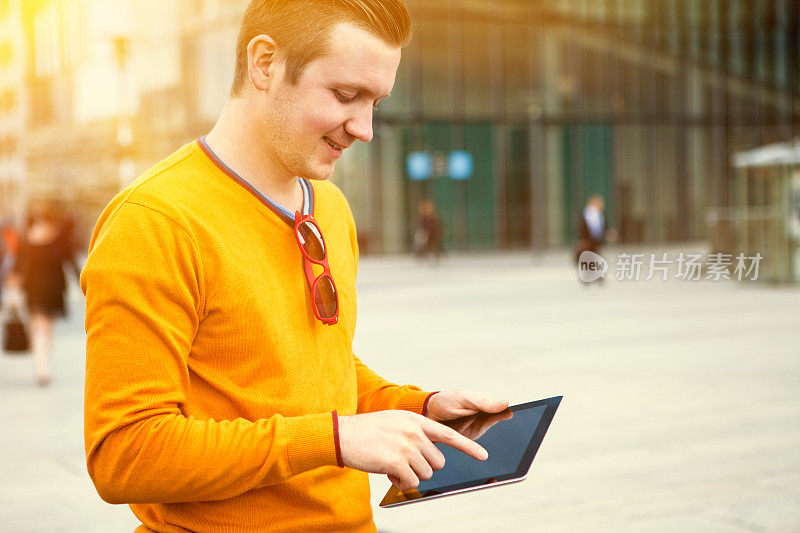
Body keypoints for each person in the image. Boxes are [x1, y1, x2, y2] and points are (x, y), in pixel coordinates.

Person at [80, 1, 508, 531]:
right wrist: (334, 439)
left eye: (376, 101)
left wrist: (419, 407)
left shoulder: (330, 207)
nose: (366, 128)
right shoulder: (155, 223)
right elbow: (124, 455)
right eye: (346, 96)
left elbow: (310, 375)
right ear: (264, 64)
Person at [14, 201, 79, 386]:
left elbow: (19, 265)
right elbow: (71, 263)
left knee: (41, 326)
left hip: (37, 288)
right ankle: (43, 368)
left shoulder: (28, 237)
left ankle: (42, 365)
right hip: (50, 288)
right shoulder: (59, 238)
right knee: (44, 326)